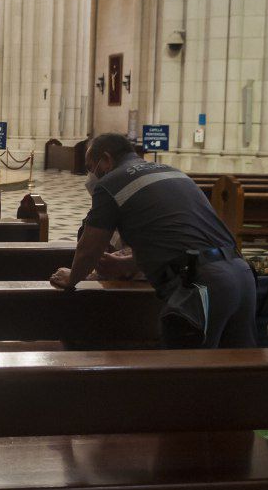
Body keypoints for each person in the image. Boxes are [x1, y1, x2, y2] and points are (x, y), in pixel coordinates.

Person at [50, 133, 257, 348]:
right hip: (242, 276)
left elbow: (89, 249)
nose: (91, 175)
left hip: (202, 286)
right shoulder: (172, 172)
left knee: (185, 366)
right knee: (237, 366)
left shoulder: (111, 183)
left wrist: (72, 277)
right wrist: (128, 264)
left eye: (91, 167)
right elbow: (174, 236)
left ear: (106, 159)